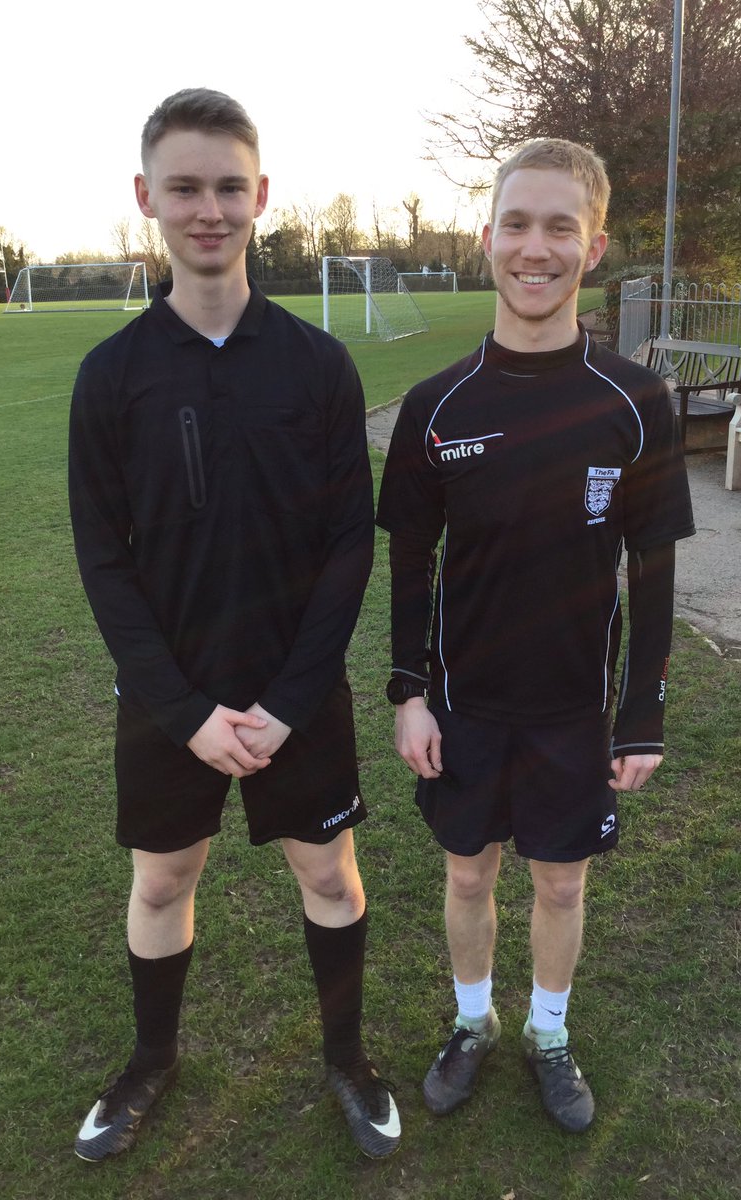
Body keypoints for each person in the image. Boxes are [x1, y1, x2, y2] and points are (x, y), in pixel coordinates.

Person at [68, 87, 400, 1162]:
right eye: (184, 188)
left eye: (226, 187)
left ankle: (347, 1060)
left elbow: (351, 542)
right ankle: (151, 1062)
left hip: (293, 691)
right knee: (161, 881)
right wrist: (181, 706)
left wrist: (290, 698)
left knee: (329, 875)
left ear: (259, 195)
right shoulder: (110, 376)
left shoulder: (316, 365)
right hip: (171, 699)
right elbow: (104, 560)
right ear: (146, 198)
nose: (207, 209)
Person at [376, 139, 694, 1133]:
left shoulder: (634, 402)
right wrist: (408, 690)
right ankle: (473, 1022)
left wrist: (637, 714)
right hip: (466, 706)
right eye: (518, 223)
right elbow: (412, 567)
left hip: (572, 709)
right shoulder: (435, 409)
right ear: (488, 239)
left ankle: (548, 1034)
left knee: (561, 881)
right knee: (468, 870)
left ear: (592, 247)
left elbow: (653, 573)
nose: (536, 247)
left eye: (561, 227)